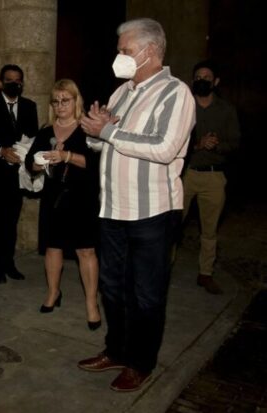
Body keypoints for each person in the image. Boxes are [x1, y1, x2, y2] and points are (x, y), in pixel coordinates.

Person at [78, 18, 196, 392]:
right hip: (113, 208)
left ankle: (141, 363)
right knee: (112, 288)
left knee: (146, 294)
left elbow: (163, 148)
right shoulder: (122, 92)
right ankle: (117, 350)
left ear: (150, 51)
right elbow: (105, 145)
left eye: (126, 50)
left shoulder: (176, 94)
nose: (119, 56)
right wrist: (97, 132)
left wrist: (108, 131)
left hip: (152, 213)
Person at [25, 79, 101, 329]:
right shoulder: (47, 131)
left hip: (81, 197)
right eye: (56, 101)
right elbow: (29, 163)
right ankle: (53, 293)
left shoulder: (87, 129)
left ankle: (92, 303)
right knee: (53, 247)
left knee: (85, 251)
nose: (60, 106)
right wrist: (40, 162)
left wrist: (66, 155)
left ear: (76, 101)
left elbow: (95, 164)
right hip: (53, 198)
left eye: (65, 100)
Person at [0, 64, 39, 284]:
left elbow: (33, 136)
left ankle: (9, 262)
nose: (14, 83)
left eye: (18, 80)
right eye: (10, 80)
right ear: (0, 83)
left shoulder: (30, 106)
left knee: (11, 221)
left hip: (17, 175)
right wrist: (2, 151)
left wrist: (25, 153)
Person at [182, 60, 240, 295]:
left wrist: (216, 146)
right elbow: (173, 141)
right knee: (172, 225)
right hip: (185, 174)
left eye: (207, 77)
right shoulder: (184, 107)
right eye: (198, 77)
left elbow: (234, 143)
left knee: (210, 230)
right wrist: (198, 145)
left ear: (215, 82)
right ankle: (162, 269)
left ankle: (206, 274)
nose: (202, 80)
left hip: (214, 177)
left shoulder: (226, 110)